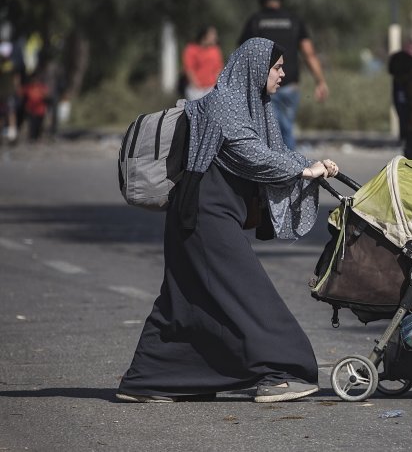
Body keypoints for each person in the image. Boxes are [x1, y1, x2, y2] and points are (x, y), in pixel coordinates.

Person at [117, 38, 341, 403]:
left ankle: (150, 379)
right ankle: (285, 369)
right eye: (277, 67)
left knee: (185, 299)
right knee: (248, 292)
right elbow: (249, 152)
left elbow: (271, 151)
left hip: (206, 215)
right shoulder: (225, 103)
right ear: (256, 68)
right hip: (204, 217)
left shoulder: (252, 105)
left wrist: (310, 165)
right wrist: (303, 170)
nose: (283, 74)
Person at [239, 0, 329, 150]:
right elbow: (309, 54)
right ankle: (290, 169)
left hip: (263, 85)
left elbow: (244, 53)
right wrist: (320, 81)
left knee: (265, 131)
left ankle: (278, 170)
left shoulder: (256, 21)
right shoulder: (294, 20)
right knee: (286, 129)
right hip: (290, 86)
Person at [182, 26, 224, 101]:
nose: (215, 37)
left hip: (211, 88)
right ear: (204, 36)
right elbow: (189, 69)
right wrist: (196, 86)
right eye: (212, 35)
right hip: (196, 89)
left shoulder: (215, 50)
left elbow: (218, 69)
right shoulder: (191, 49)